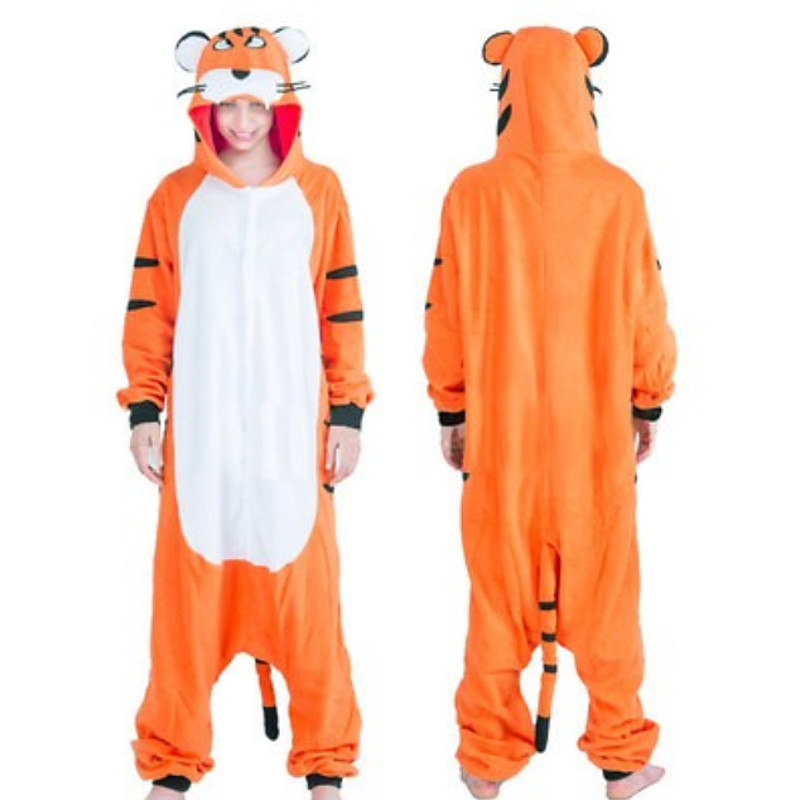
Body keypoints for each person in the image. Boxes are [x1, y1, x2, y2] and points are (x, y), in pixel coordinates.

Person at [116, 25, 374, 799]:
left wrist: (348, 414)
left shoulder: (319, 191)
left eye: (257, 105)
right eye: (228, 106)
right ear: (203, 107)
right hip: (203, 441)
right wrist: (144, 409)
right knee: (186, 602)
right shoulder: (175, 197)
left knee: (310, 602)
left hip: (293, 436)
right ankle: (172, 759)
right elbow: (151, 307)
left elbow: (341, 304)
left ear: (282, 105)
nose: (242, 121)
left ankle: (326, 760)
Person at [422, 25, 677, 800]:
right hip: (591, 439)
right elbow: (646, 308)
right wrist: (648, 399)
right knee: (606, 595)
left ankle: (485, 762)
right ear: (581, 89)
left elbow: (444, 311)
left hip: (502, 442)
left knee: (497, 599)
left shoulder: (471, 193)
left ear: (507, 93)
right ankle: (621, 758)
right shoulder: (618, 194)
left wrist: (452, 410)